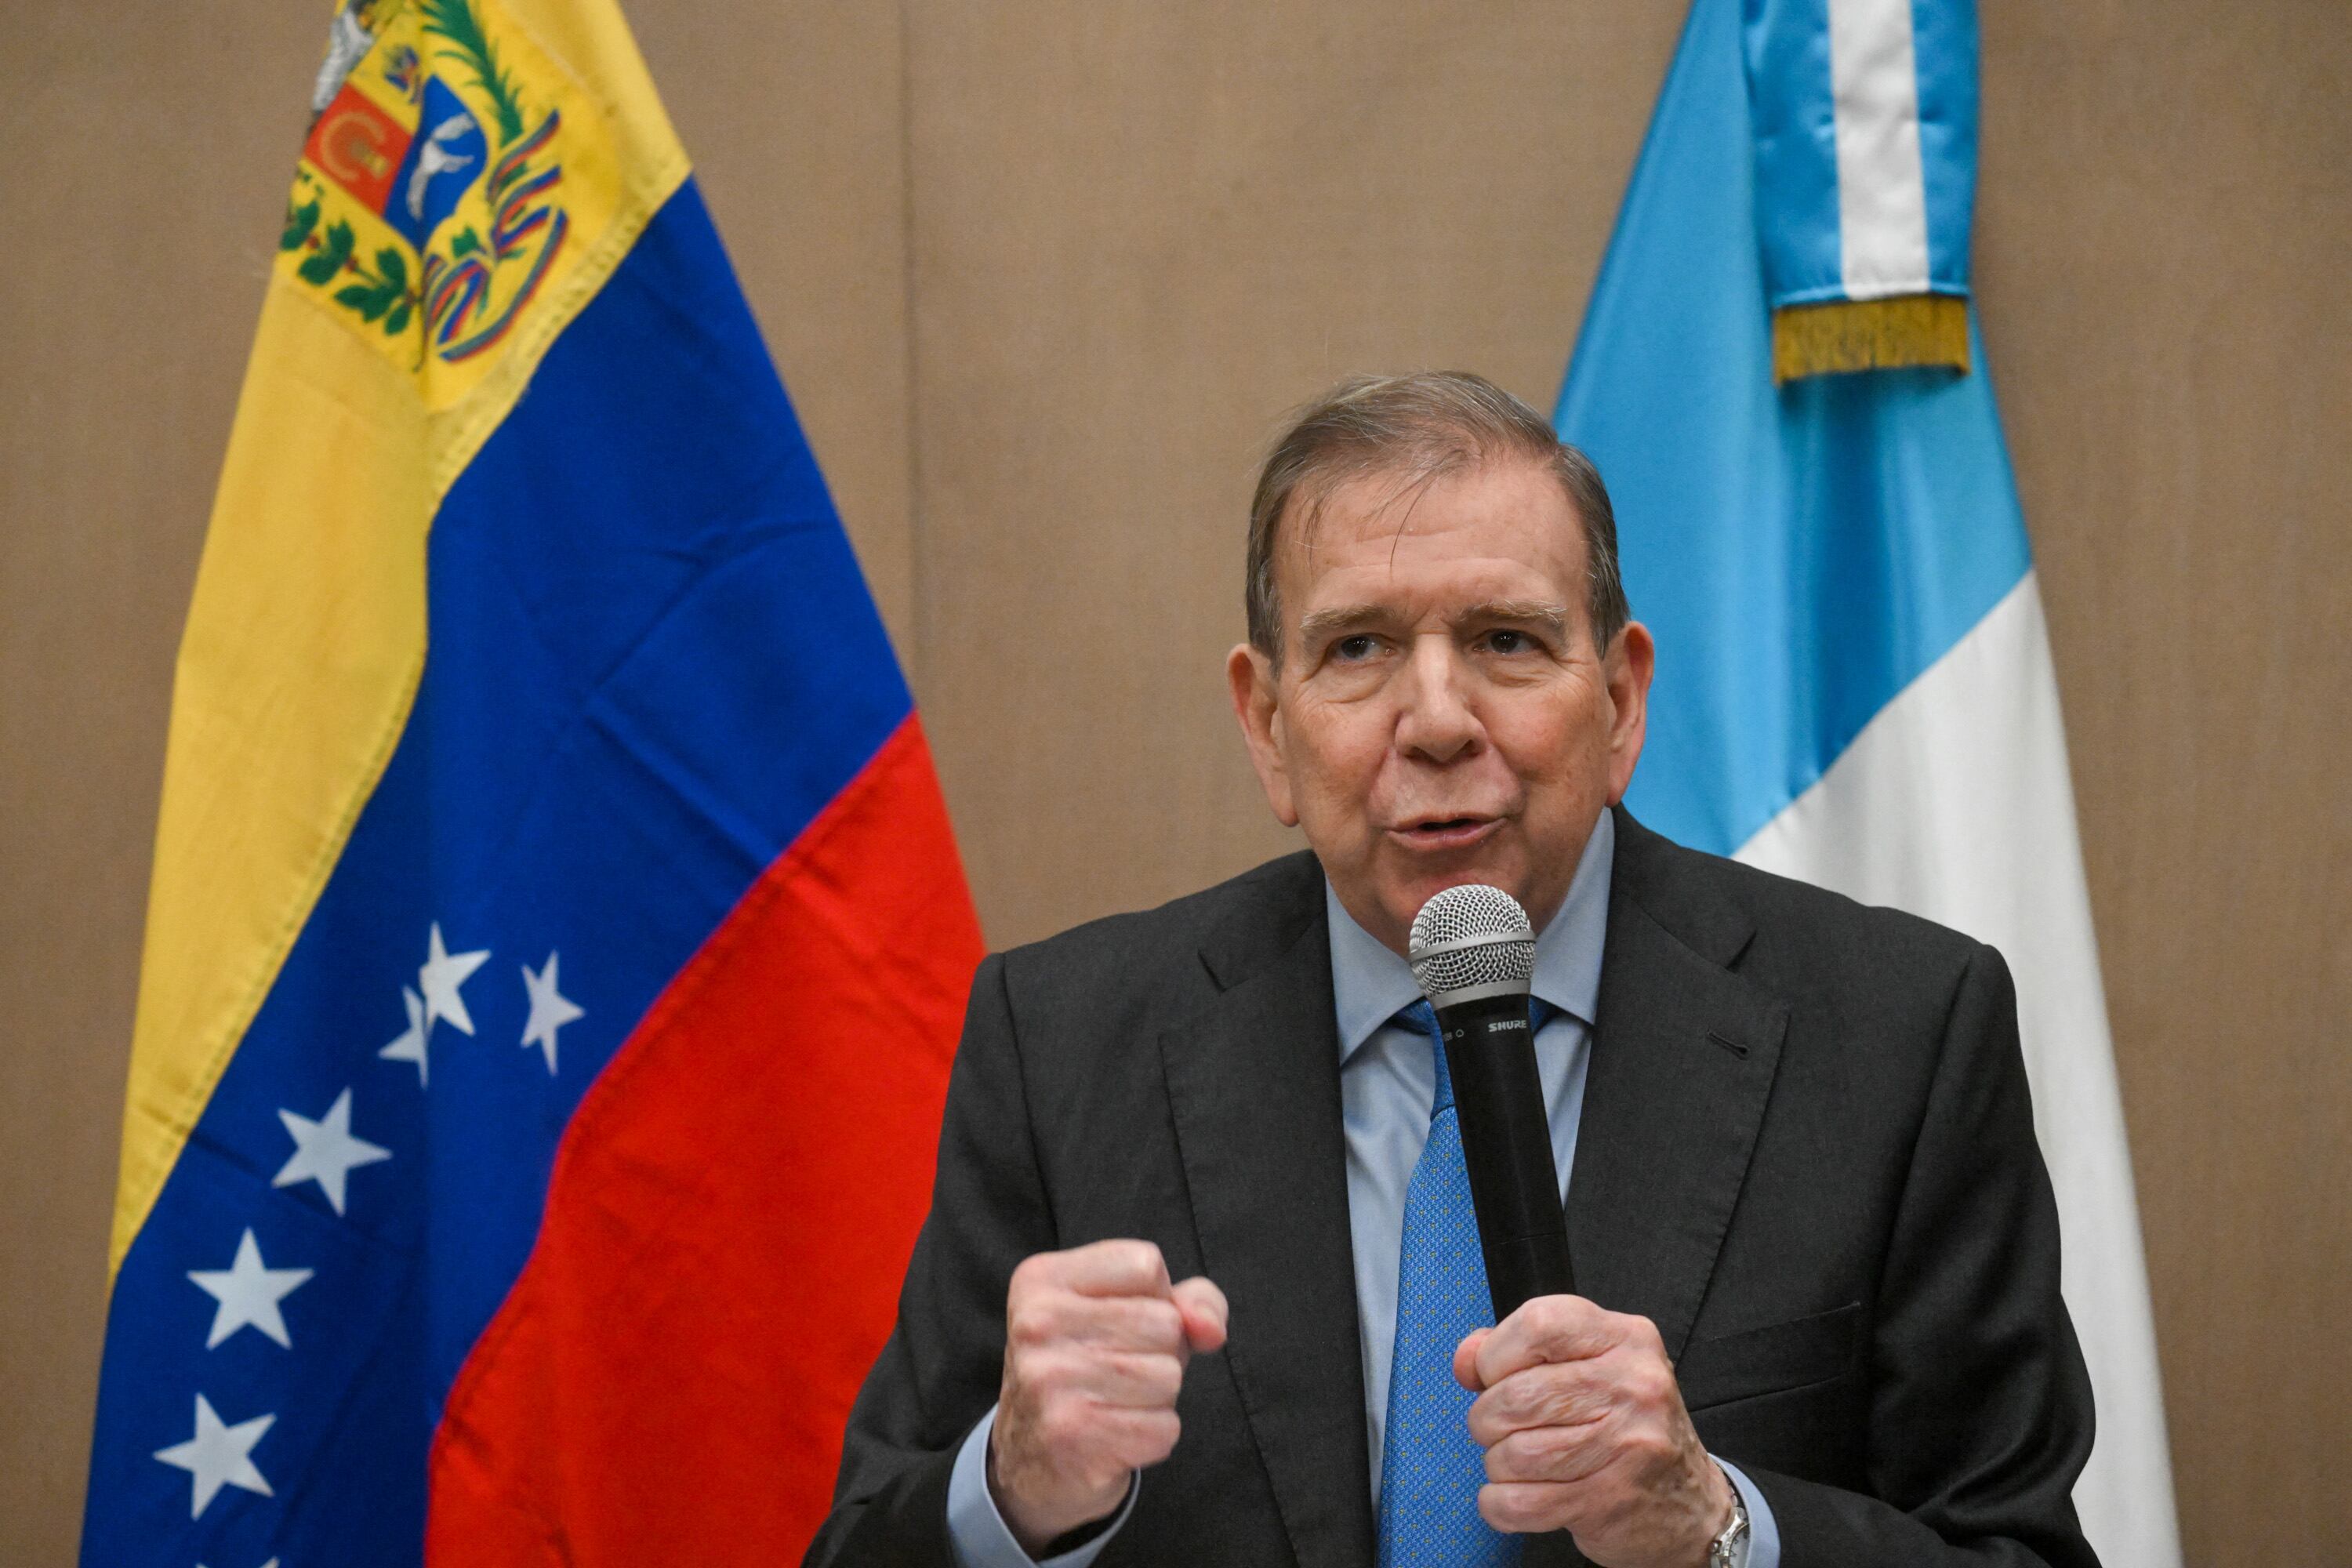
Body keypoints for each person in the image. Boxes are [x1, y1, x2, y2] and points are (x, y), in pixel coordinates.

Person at [804, 373, 2100, 1568]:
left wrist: (1722, 1527)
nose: (1434, 722)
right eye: (1358, 648)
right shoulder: (1068, 1042)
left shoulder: (1896, 1035)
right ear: (1266, 724)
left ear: (1624, 702)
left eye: (1507, 642)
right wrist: (1016, 1489)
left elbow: (2019, 1549)